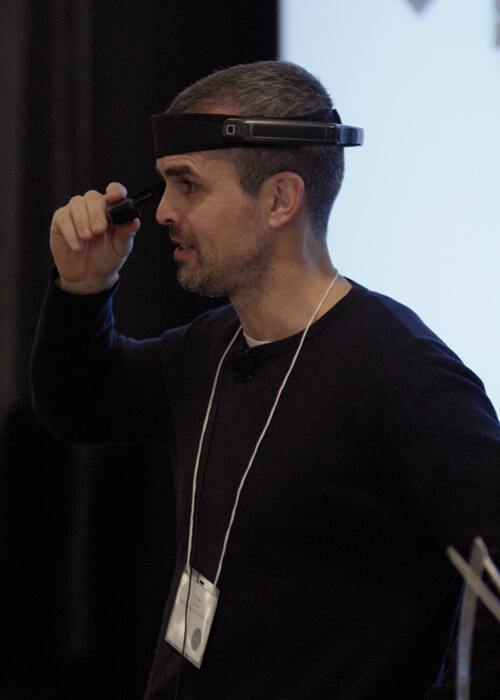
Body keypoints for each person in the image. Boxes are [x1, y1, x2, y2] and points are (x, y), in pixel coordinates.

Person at [31, 61, 500, 699]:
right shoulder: (210, 347)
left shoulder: (404, 375)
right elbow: (78, 404)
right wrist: (83, 288)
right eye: (165, 185)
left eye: (187, 185)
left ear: (280, 200)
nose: (162, 211)